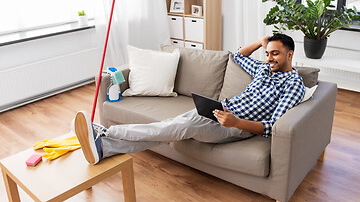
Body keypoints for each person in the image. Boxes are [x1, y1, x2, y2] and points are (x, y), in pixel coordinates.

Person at [73, 33, 305, 165]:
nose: (270, 58)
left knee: (177, 126)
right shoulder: (265, 69)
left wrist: (235, 123)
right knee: (168, 128)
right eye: (268, 53)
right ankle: (104, 149)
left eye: (275, 53)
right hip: (218, 110)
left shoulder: (293, 84)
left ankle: (106, 133)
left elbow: (271, 127)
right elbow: (237, 56)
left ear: (290, 54)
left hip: (235, 127)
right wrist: (261, 42)